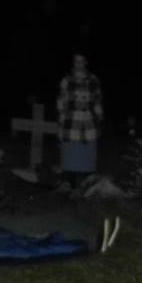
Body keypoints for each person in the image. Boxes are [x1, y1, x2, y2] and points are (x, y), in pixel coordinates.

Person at [56, 53, 104, 189]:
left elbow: (97, 100)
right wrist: (61, 119)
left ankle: (87, 183)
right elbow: (61, 101)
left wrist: (99, 116)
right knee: (71, 152)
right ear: (73, 63)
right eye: (76, 61)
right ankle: (69, 183)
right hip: (71, 122)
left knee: (88, 152)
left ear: (86, 62)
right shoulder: (66, 80)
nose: (79, 63)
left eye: (81, 61)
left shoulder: (93, 79)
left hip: (89, 122)